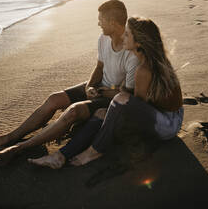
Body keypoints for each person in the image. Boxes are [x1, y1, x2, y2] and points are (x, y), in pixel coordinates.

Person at [0, 0, 139, 166]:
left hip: (111, 97)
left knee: (73, 111)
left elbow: (128, 95)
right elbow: (99, 67)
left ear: (113, 23)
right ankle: (8, 138)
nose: (98, 23)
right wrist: (89, 85)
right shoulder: (103, 38)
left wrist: (101, 92)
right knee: (54, 98)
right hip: (98, 86)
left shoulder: (131, 53)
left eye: (101, 20)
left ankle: (18, 148)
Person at [69, 17, 184, 166]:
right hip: (174, 116)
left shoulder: (144, 69)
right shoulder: (154, 59)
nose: (123, 36)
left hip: (168, 126)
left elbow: (134, 110)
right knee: (110, 109)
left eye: (127, 34)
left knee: (117, 102)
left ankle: (94, 151)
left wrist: (109, 115)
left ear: (138, 43)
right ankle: (73, 148)